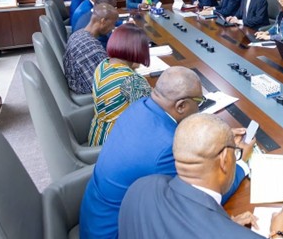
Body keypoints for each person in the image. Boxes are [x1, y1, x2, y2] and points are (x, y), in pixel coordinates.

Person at [80, 67, 253, 239]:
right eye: (199, 102)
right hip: (116, 231)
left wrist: (215, 136)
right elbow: (199, 199)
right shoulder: (166, 149)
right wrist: (239, 163)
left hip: (94, 216)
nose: (200, 107)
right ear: (181, 106)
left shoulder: (140, 106)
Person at [118, 114, 283, 239]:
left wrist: (225, 223)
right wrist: (280, 234)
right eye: (235, 152)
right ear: (224, 159)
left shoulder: (140, 187)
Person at [88, 23, 151, 146]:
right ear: (136, 50)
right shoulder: (132, 80)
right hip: (115, 143)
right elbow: (147, 120)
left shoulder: (103, 64)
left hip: (96, 135)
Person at [64, 4, 119, 95]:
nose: (113, 28)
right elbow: (105, 88)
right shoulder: (91, 49)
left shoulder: (78, 34)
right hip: (89, 96)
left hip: (77, 86)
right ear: (103, 21)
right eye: (112, 24)